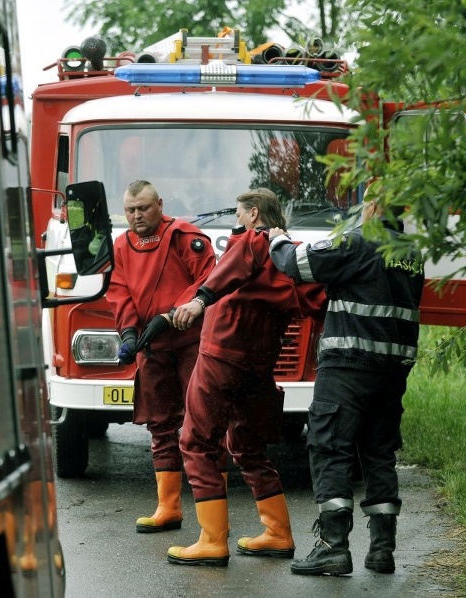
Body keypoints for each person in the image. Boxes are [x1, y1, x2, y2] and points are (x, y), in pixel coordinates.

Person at [162, 188, 326, 567]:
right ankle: (278, 533)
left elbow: (222, 279)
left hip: (222, 356)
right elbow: (315, 302)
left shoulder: (253, 240)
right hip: (258, 366)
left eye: (238, 215)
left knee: (195, 440)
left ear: (254, 214)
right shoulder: (293, 258)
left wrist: (198, 300)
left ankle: (211, 540)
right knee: (248, 445)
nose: (236, 223)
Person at [267, 191, 425, 576]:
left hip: (348, 366)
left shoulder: (357, 240)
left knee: (330, 446)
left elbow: (296, 263)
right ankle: (382, 550)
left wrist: (276, 238)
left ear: (370, 207)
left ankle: (333, 547)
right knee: (378, 452)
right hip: (392, 370)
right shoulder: (413, 255)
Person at [106, 180, 217, 534]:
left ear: (160, 205)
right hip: (151, 347)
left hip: (189, 343)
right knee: (160, 427)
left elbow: (209, 278)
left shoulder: (184, 235)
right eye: (130, 210)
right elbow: (118, 289)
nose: (137, 215)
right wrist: (127, 332)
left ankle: (212, 518)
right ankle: (168, 507)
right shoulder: (121, 245)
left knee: (204, 424)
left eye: (143, 208)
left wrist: (170, 315)